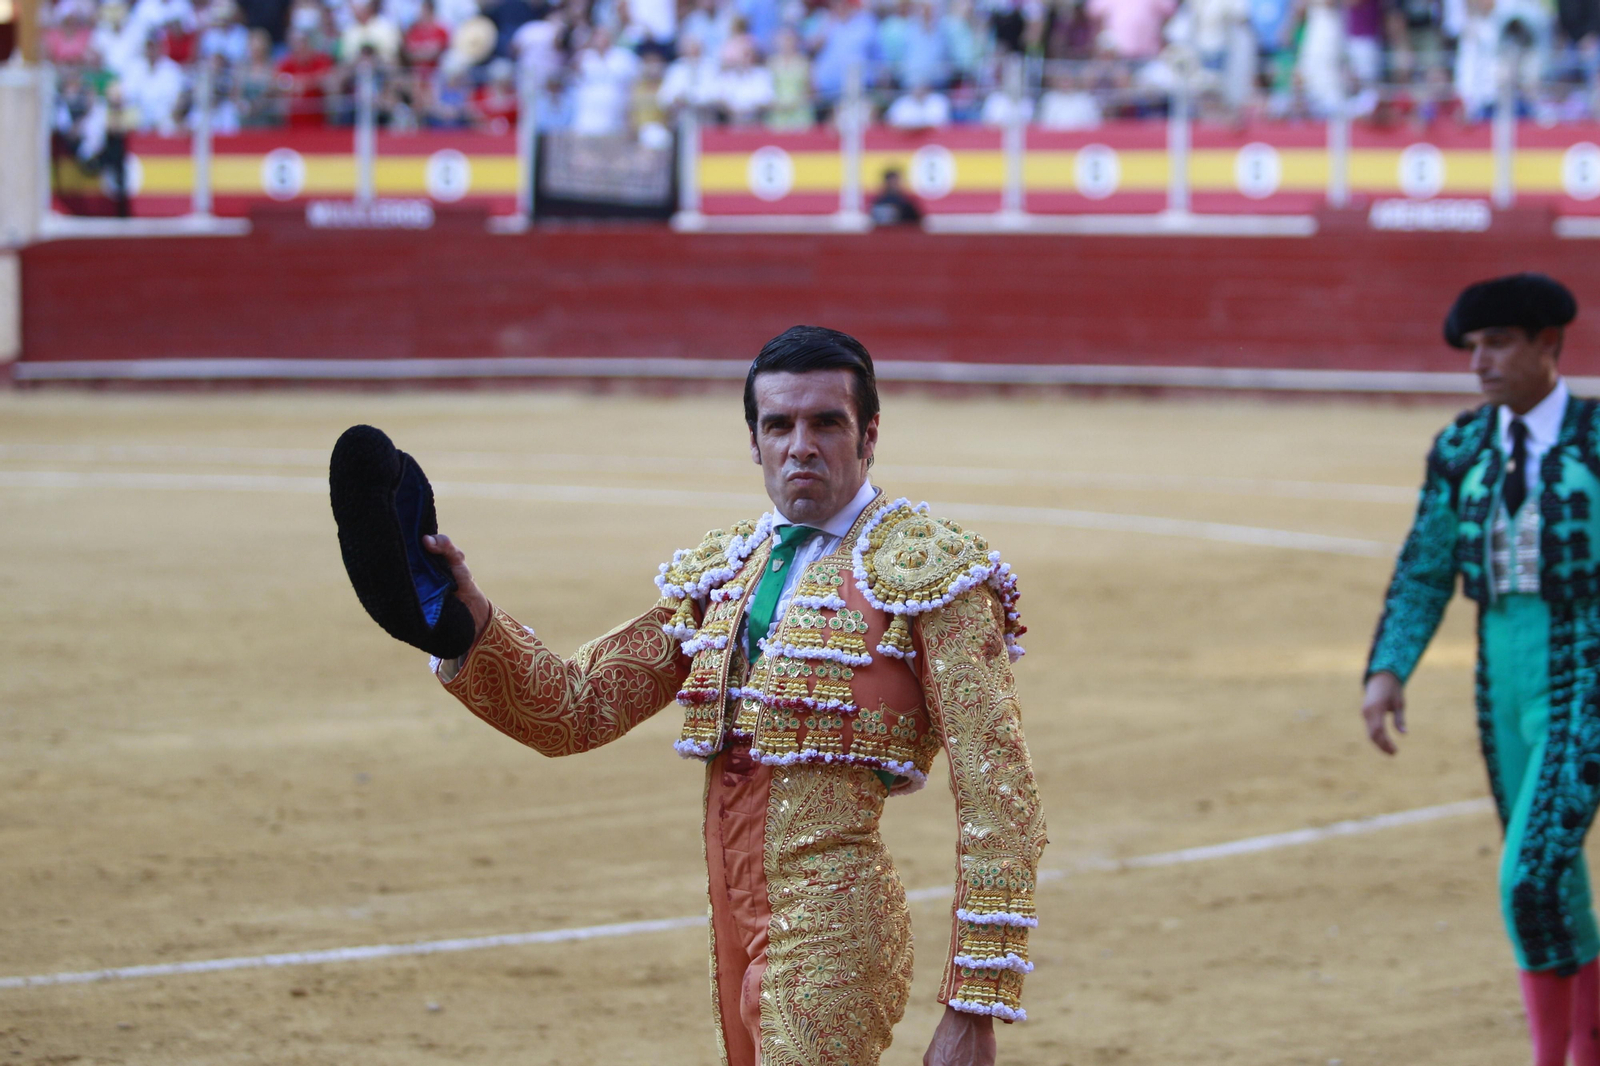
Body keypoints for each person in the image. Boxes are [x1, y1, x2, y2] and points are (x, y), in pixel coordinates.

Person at [421, 327, 1046, 1066]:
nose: (800, 446)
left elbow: (998, 791)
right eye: (778, 425)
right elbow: (578, 707)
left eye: (826, 423)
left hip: (836, 925)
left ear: (869, 433)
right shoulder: (723, 575)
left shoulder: (930, 573)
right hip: (733, 918)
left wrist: (975, 1004)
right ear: (754, 440)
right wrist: (465, 624)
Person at [1362, 274, 1600, 1066]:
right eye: (1474, 348)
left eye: (1498, 343)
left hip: (1587, 671)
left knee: (1528, 874)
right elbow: (1427, 567)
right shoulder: (1461, 447)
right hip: (1501, 674)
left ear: (1548, 345)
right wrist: (1389, 667)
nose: (1481, 363)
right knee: (1552, 878)